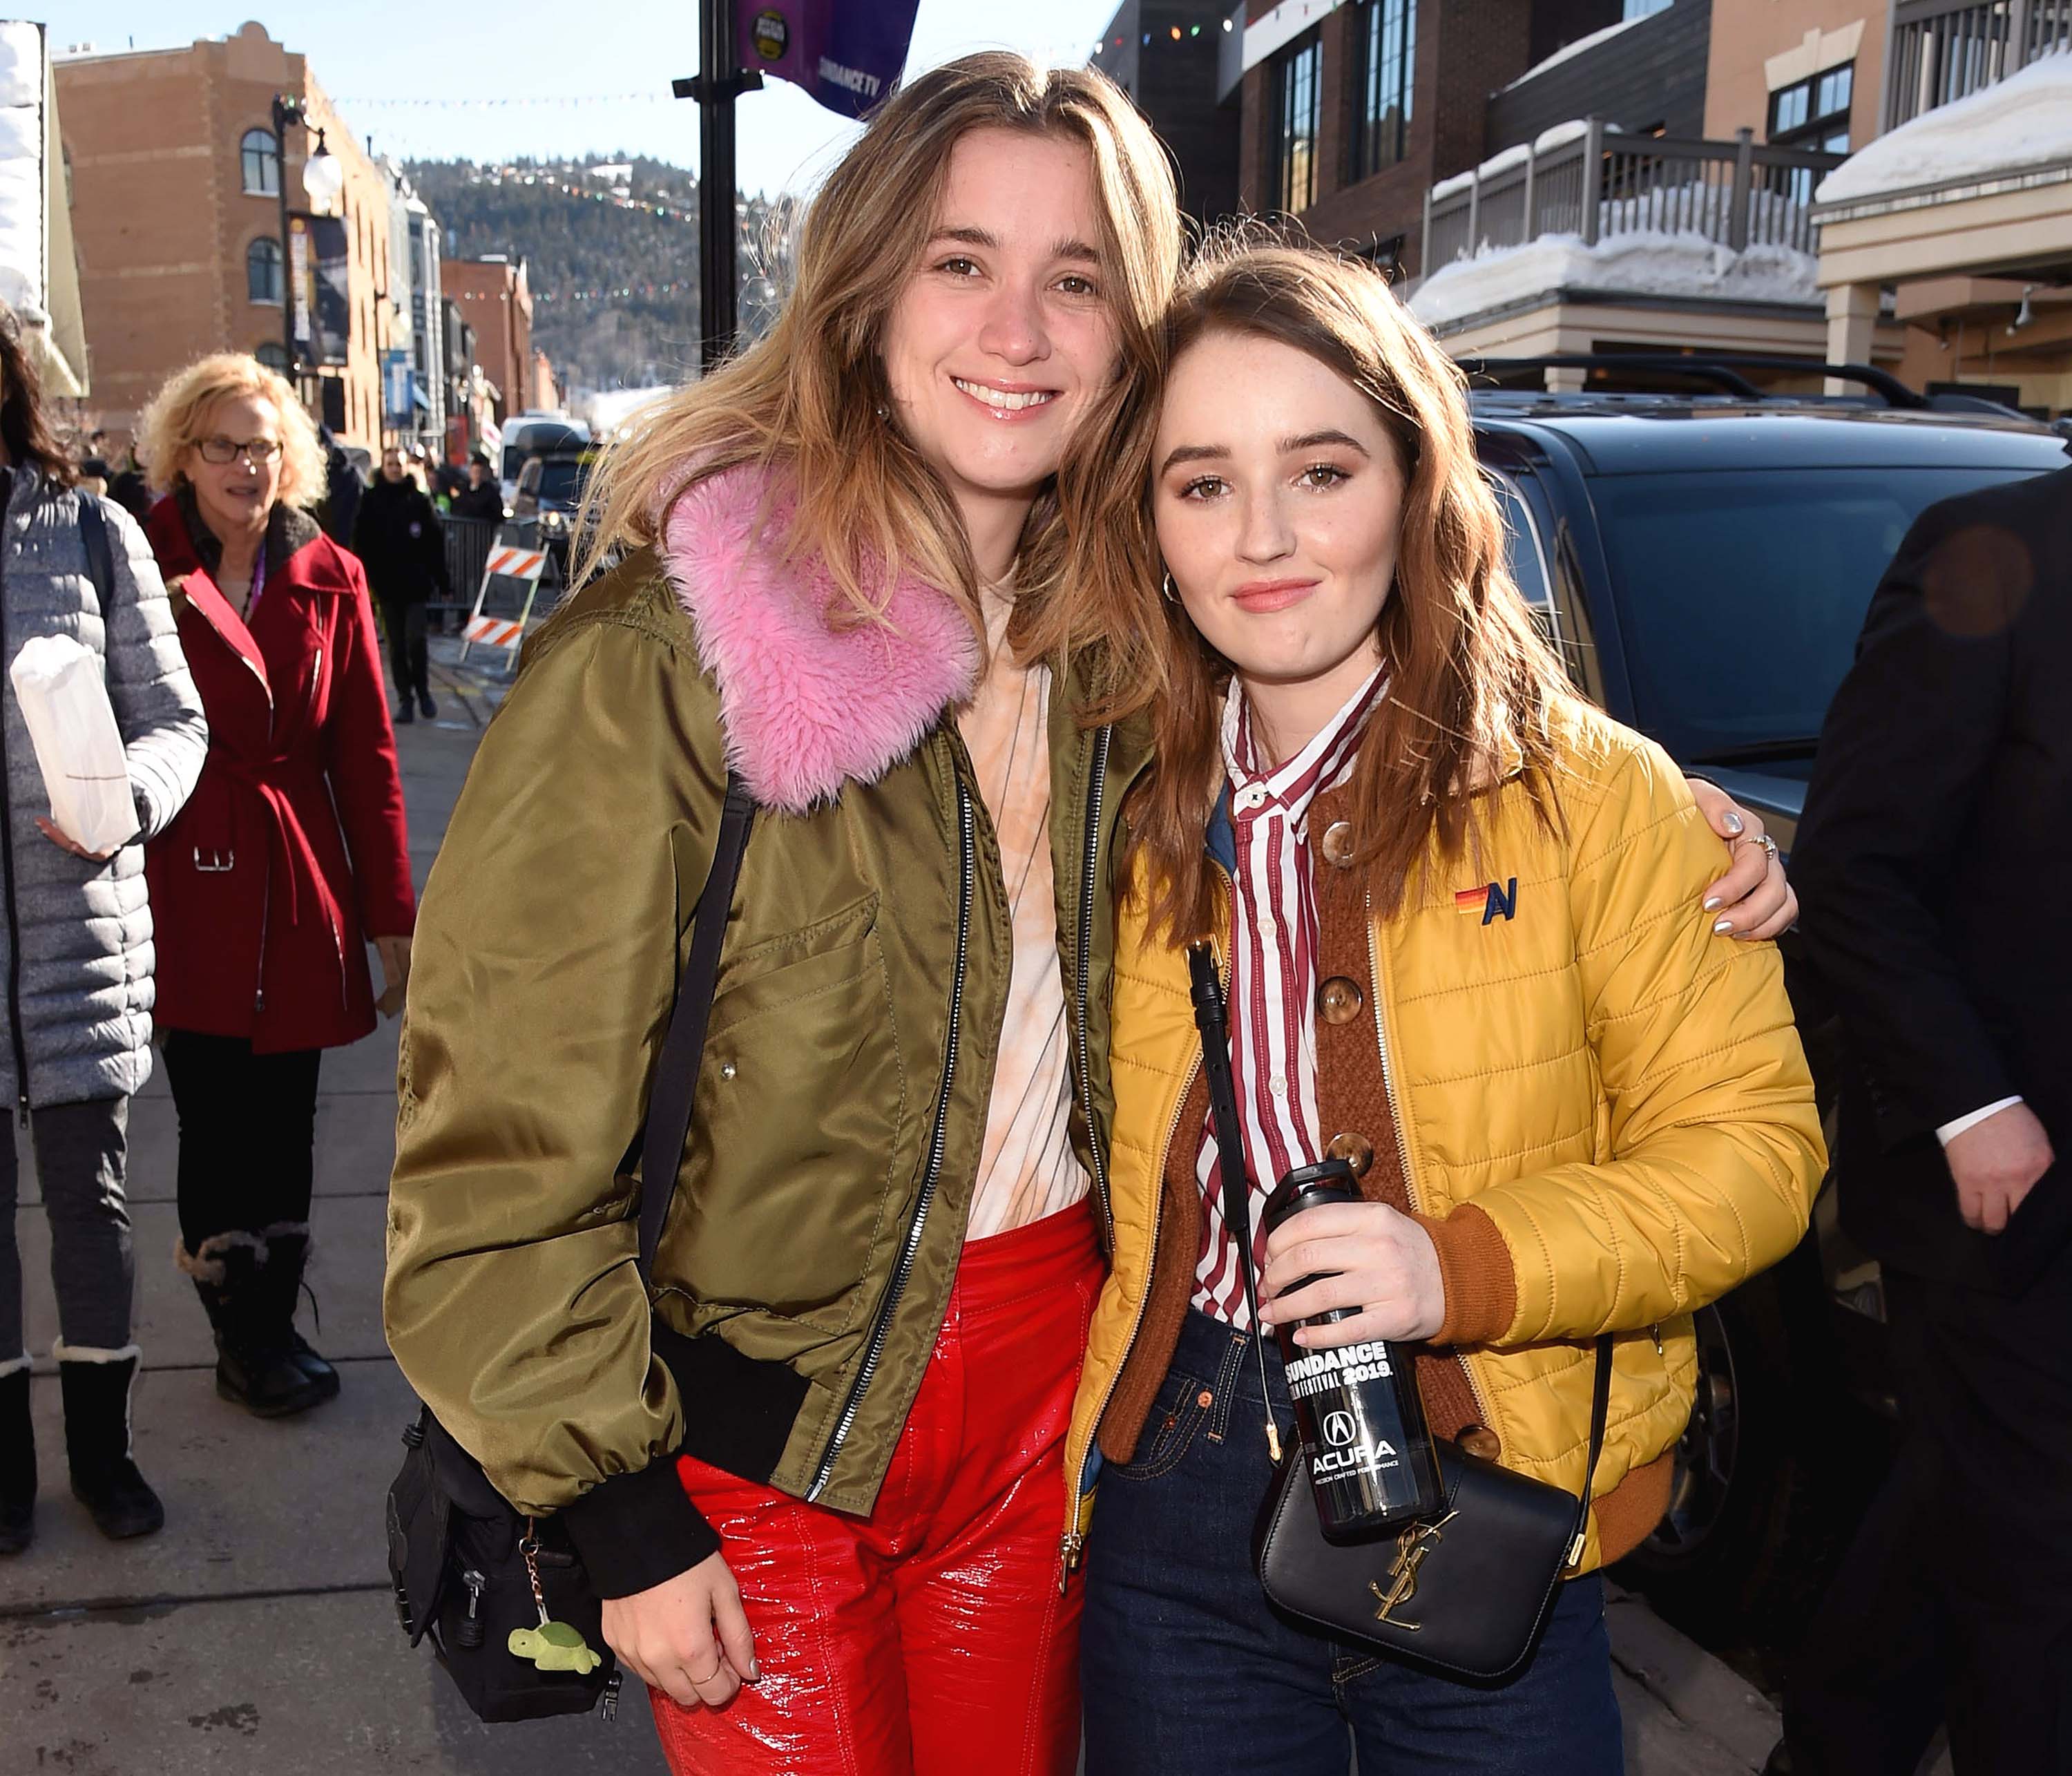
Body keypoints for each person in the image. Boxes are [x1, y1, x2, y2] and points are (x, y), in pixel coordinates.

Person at [383, 57, 1794, 1776]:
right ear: (864, 289)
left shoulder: (1133, 675)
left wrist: (1673, 823)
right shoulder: (675, 654)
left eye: (1076, 280)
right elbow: (495, 1143)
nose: (1018, 329)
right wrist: (613, 1507)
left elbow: (1398, 742)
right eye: (960, 261)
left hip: (1058, 1412)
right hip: (771, 1433)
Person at [1068, 242, 1826, 1776]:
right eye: (1202, 482)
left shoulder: (1594, 797)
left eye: (1322, 469)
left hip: (1491, 1498)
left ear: (1415, 481)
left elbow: (1760, 1154)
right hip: (1185, 1492)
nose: (1263, 536)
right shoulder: (1123, 807)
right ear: (1148, 524)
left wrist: (1459, 1265)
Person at [1776, 463, 2071, 1776]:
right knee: (2040, 1574)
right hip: (2007, 1175)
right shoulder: (1996, 550)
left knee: (1959, 1507)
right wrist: (1971, 1102)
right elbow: (1853, 862)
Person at [136, 353, 415, 1422]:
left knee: (287, 1115)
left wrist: (391, 916)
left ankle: (271, 1319)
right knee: (213, 1115)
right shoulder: (144, 562)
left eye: (262, 445)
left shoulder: (331, 570)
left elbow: (367, 755)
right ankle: (238, 1333)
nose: (246, 466)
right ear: (184, 455)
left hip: (300, 881)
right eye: (223, 446)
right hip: (189, 872)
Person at [0, 301, 207, 1556]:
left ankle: (105, 1457)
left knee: (94, 1213)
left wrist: (126, 799)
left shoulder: (89, 529)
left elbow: (175, 720)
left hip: (79, 934)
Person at [352, 443, 450, 723]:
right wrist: (365, 580)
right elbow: (361, 544)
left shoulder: (419, 501)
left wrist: (443, 581)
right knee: (396, 645)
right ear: (383, 468)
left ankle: (423, 692)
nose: (395, 469)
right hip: (386, 587)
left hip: (416, 585)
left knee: (416, 640)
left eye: (399, 463)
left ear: (407, 467)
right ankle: (405, 699)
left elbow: (435, 543)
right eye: (390, 464)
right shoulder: (371, 500)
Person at [448, 452, 503, 524]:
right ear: (470, 472)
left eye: (481, 472)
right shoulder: (464, 489)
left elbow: (497, 513)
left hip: (484, 532)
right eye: (475, 472)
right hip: (464, 531)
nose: (478, 476)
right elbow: (456, 508)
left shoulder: (491, 492)